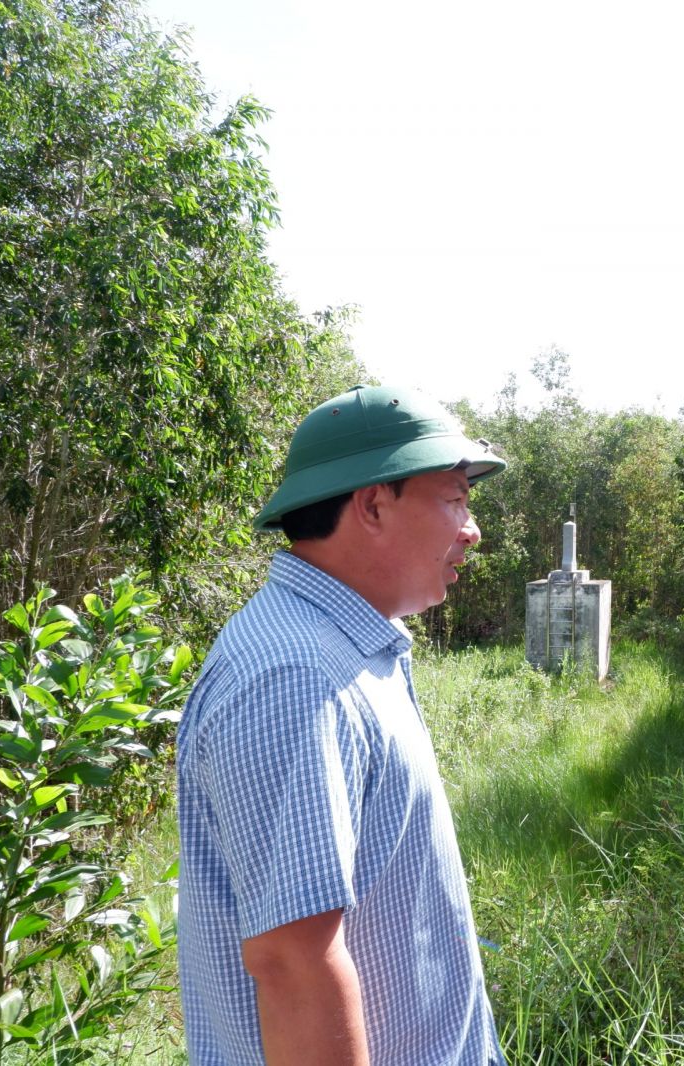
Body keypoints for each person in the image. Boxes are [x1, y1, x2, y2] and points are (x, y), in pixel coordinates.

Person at [176, 385, 508, 1066]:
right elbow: (295, 964)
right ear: (373, 505)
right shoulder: (296, 678)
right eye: (455, 498)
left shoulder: (347, 647)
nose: (471, 530)